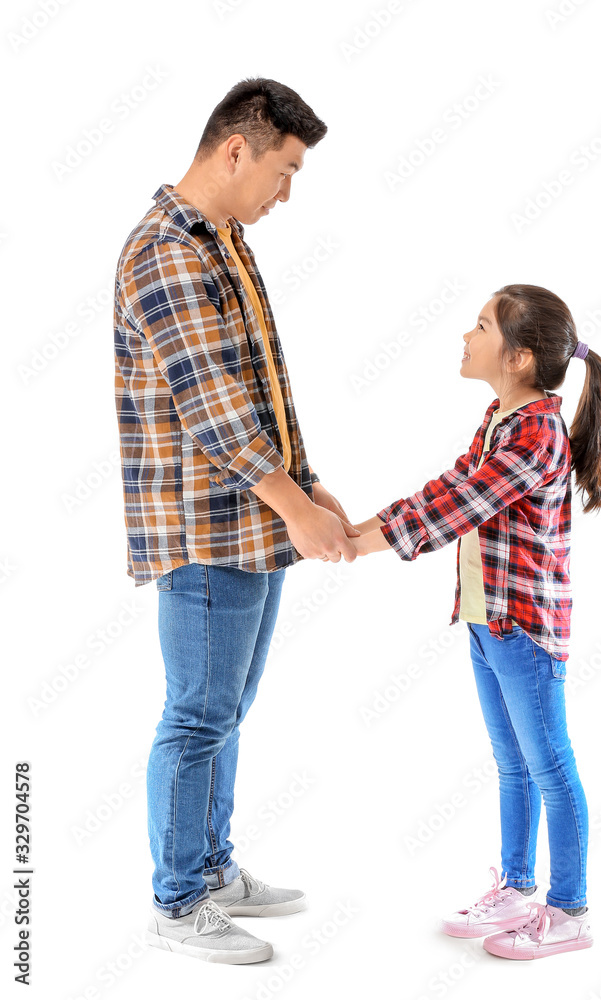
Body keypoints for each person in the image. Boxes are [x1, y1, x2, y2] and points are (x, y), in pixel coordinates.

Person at [113, 77, 360, 965]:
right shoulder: (167, 253)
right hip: (204, 532)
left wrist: (311, 484)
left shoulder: (226, 240)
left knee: (227, 710)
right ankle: (177, 902)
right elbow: (214, 407)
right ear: (235, 151)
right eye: (285, 170)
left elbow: (262, 387)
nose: (286, 191)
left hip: (251, 523)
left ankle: (211, 868)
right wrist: (292, 504)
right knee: (196, 715)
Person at [352, 284, 601, 961]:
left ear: (521, 358)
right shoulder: (499, 416)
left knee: (550, 766)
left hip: (524, 631)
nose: (466, 335)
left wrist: (363, 539)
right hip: (485, 619)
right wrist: (365, 526)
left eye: (480, 326)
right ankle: (519, 886)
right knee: (512, 765)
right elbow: (450, 483)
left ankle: (570, 910)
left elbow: (466, 502)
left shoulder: (537, 433)